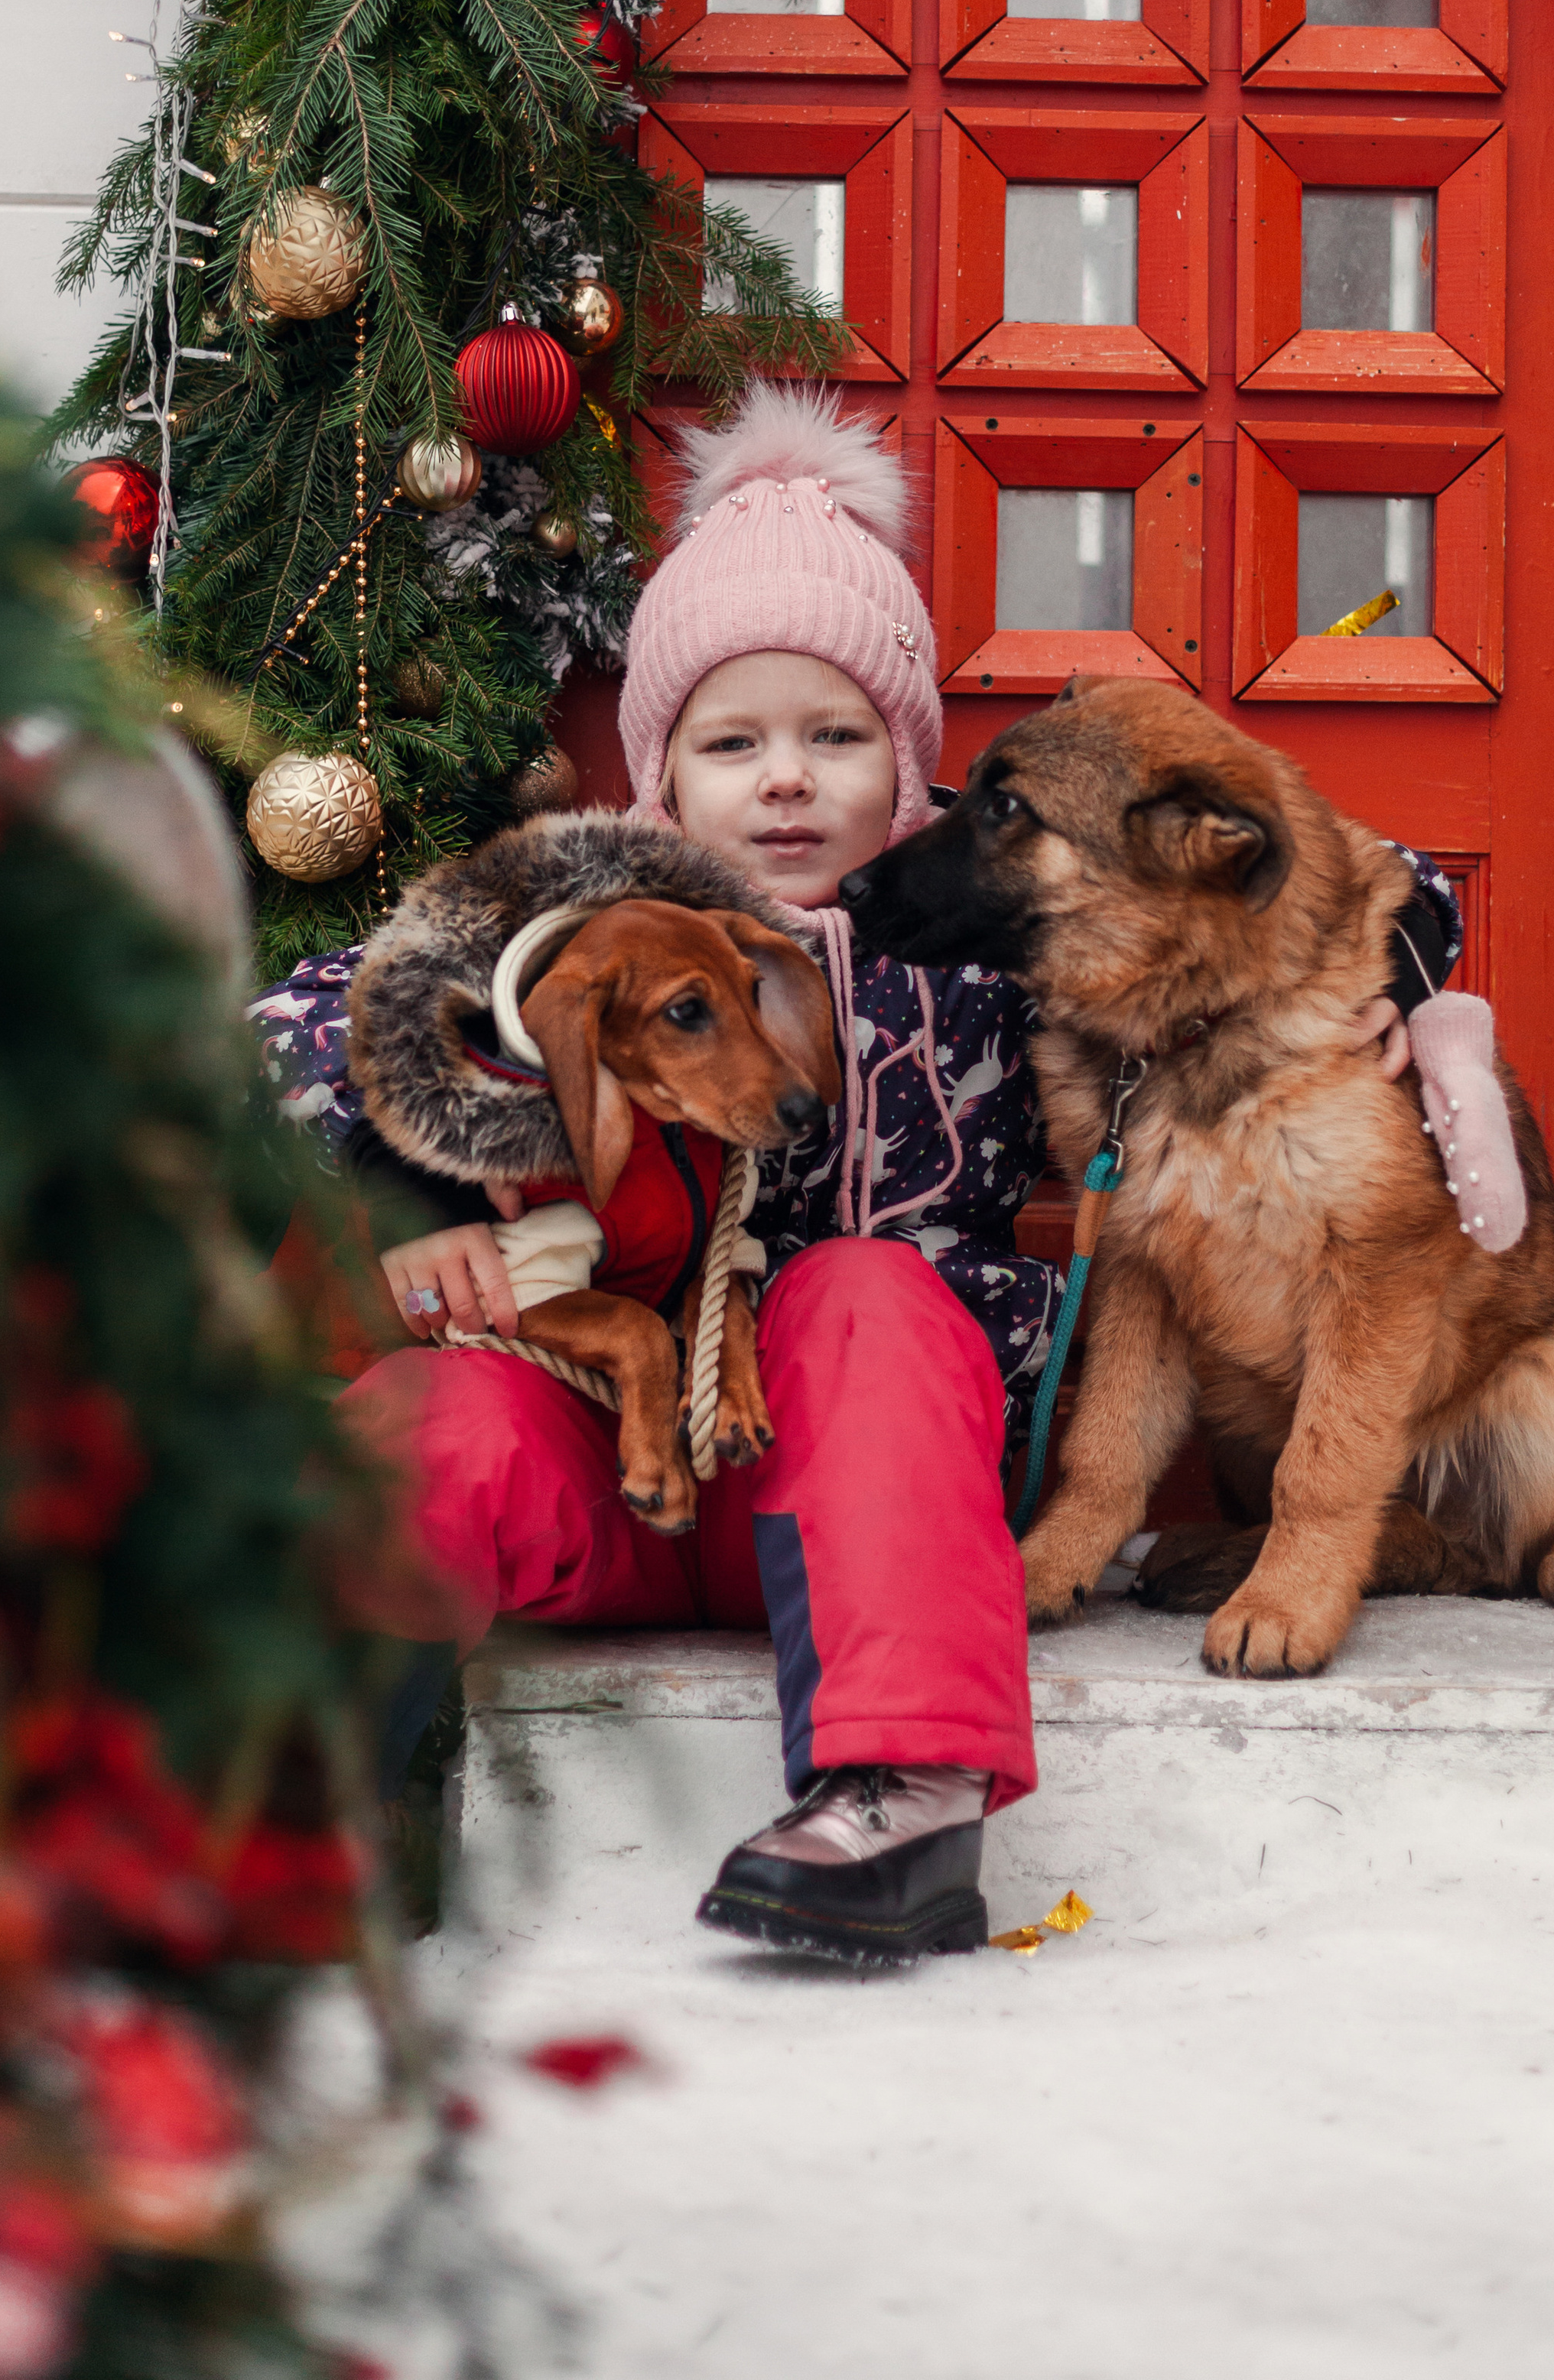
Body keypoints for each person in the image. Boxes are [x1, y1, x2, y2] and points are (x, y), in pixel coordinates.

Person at [251, 385, 1468, 1963]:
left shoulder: (979, 911)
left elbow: (1346, 858)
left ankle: (897, 1797)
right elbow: (297, 1024)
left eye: (834, 739)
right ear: (656, 778)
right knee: (443, 1421)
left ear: (902, 770)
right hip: (602, 1474)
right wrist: (417, 1204)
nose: (783, 781)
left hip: (875, 1495)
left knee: (866, 1290)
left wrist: (1407, 969)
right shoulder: (575, 916)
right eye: (731, 743)